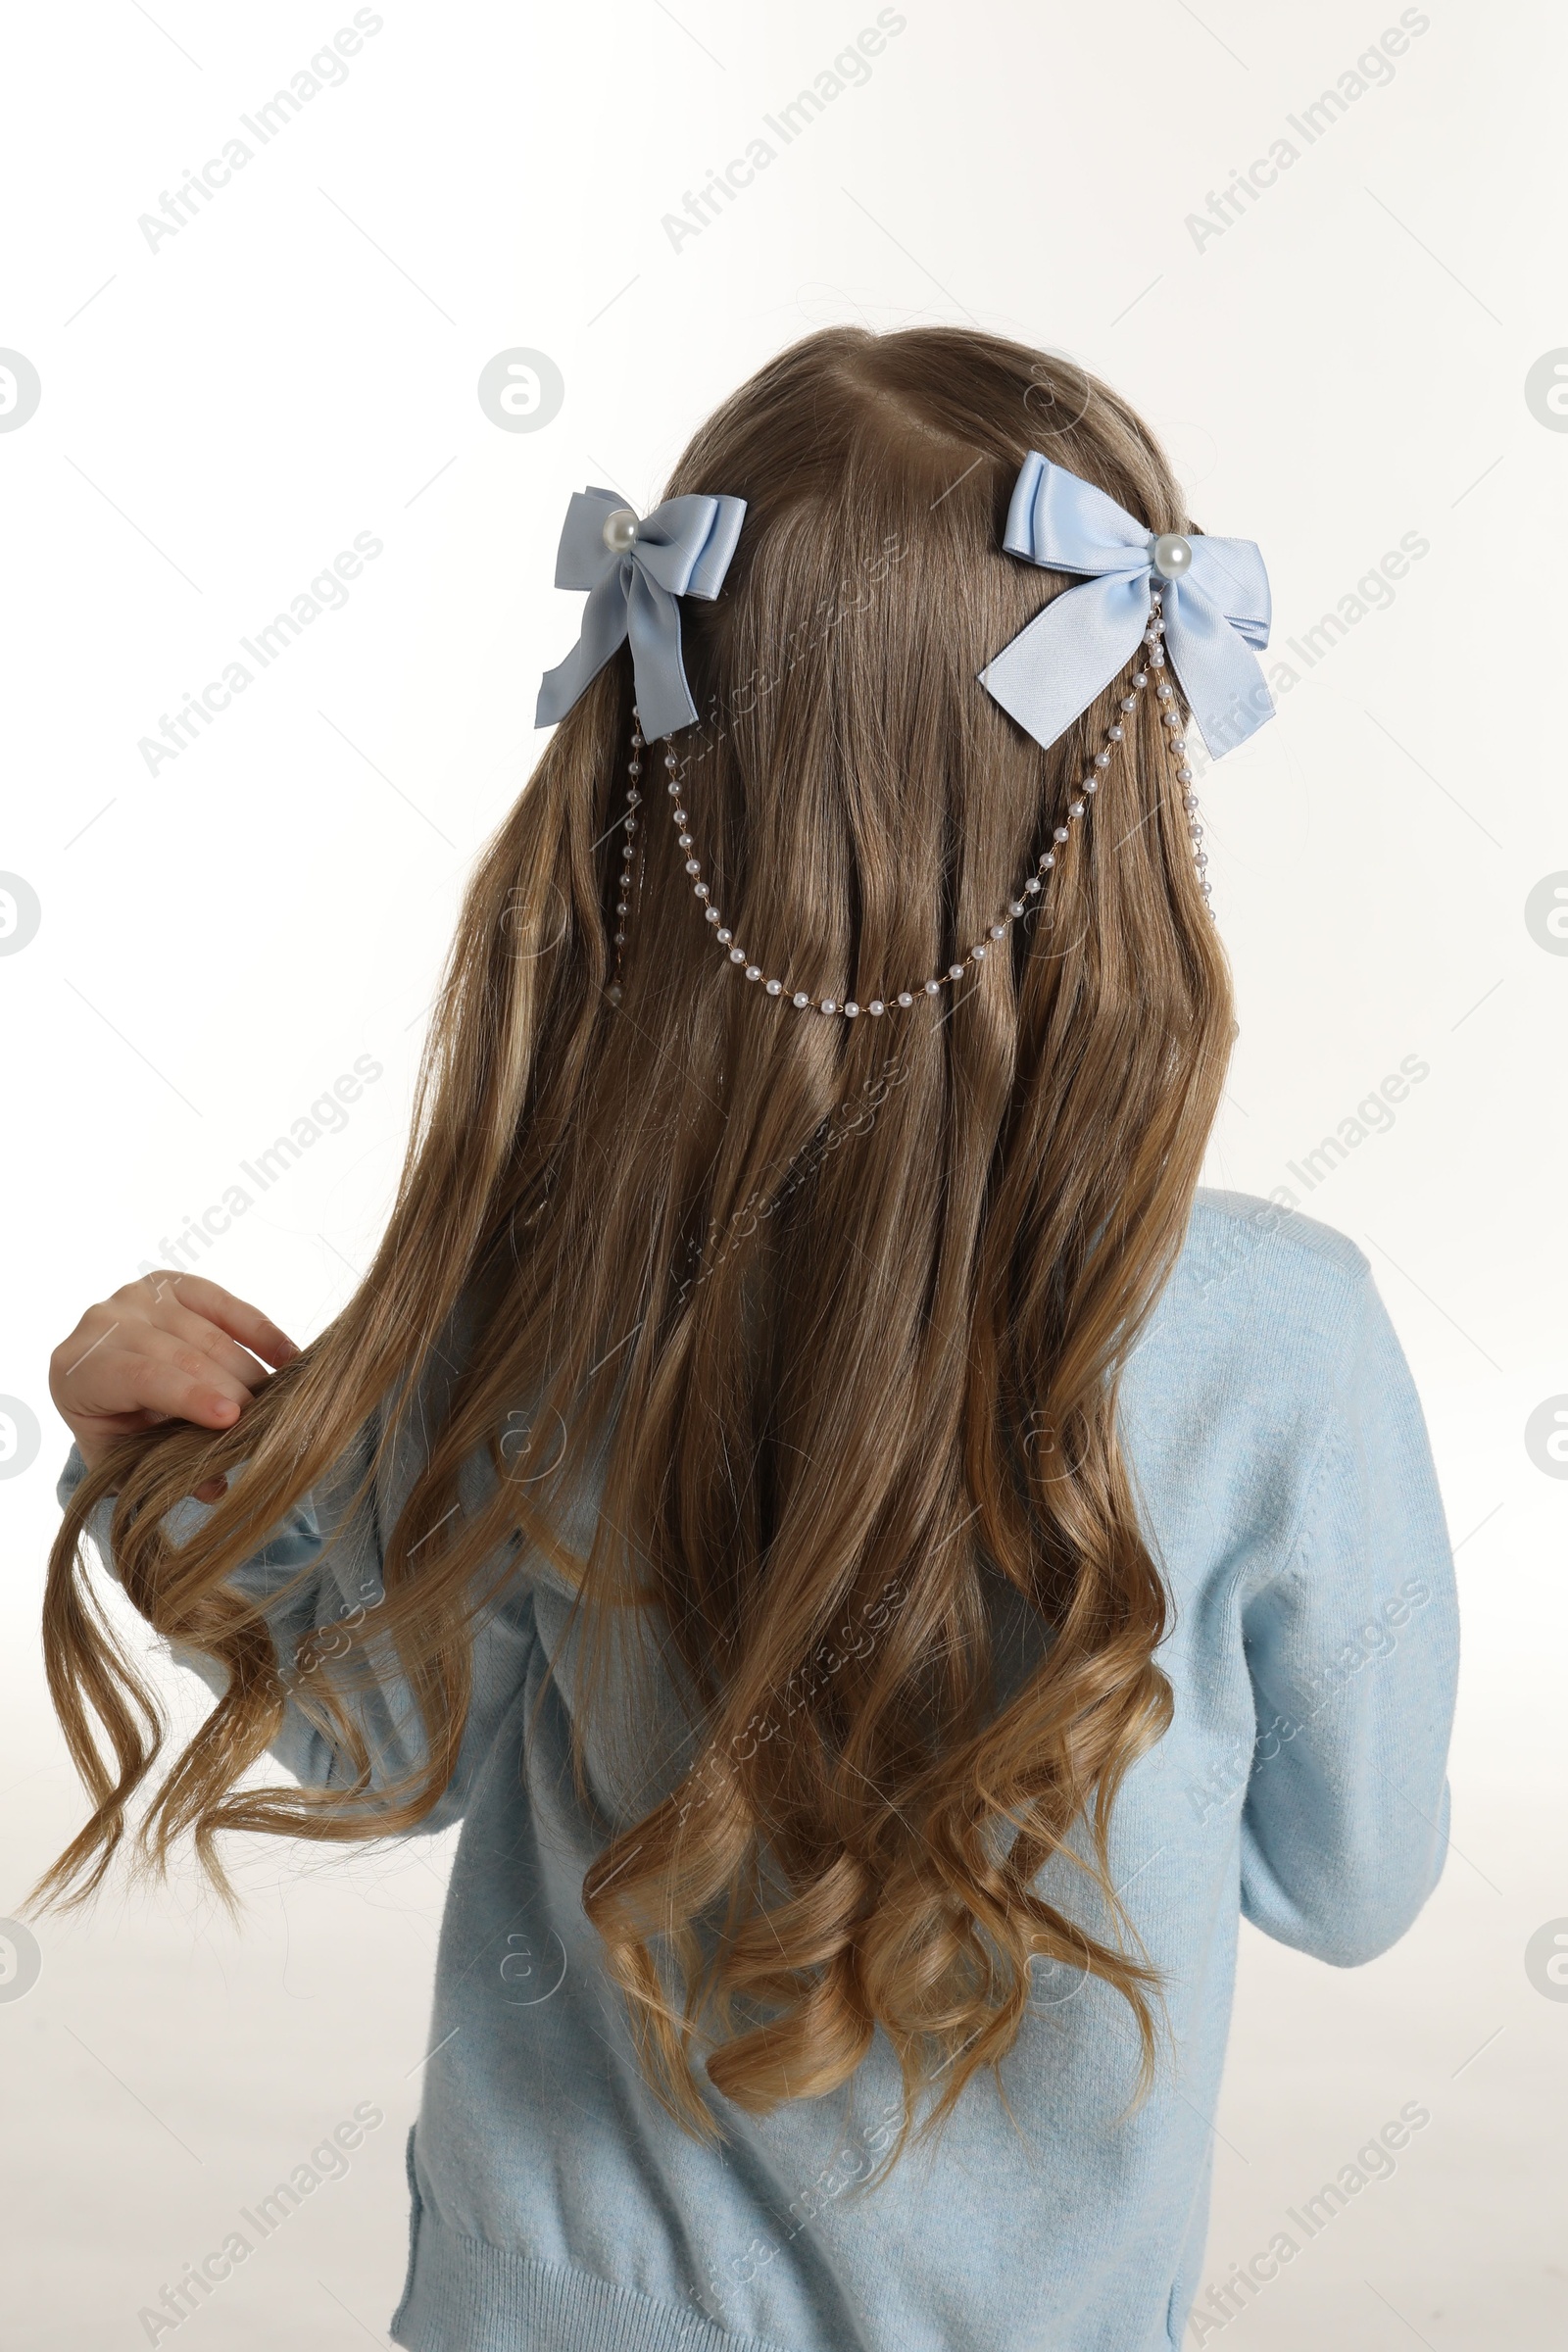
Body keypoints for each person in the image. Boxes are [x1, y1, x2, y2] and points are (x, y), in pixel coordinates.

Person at [43, 325, 1458, 2352]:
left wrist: (140, 1447)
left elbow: (374, 1732)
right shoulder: (1275, 1338)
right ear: (1129, 792)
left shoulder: (552, 1268)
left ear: (653, 780)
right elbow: (1354, 1878)